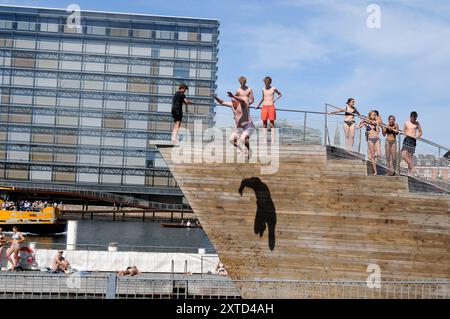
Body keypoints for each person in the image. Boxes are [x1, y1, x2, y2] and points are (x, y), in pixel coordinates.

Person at [211, 91, 254, 158]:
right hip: (239, 127)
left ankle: (249, 150)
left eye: (234, 102)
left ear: (238, 101)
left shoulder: (242, 104)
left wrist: (233, 96)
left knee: (243, 139)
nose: (233, 103)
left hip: (248, 126)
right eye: (232, 101)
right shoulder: (231, 104)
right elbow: (222, 102)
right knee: (231, 140)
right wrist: (215, 97)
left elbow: (242, 100)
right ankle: (242, 150)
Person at [256, 77, 282, 143]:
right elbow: (262, 98)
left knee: (272, 124)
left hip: (271, 106)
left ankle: (273, 139)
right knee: (264, 124)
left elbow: (280, 94)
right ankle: (264, 139)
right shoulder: (263, 89)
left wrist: (274, 100)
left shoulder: (273, 88)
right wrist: (258, 105)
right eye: (265, 82)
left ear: (269, 82)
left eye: (266, 82)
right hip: (264, 106)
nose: (265, 83)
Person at [358, 111, 381, 175]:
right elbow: (358, 127)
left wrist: (376, 124)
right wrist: (361, 122)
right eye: (373, 115)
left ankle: (371, 158)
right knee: (373, 156)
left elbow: (378, 131)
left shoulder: (376, 122)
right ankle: (375, 171)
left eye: (375, 115)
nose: (374, 116)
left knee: (379, 154)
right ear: (370, 115)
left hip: (377, 139)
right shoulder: (366, 123)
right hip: (370, 139)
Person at [401, 111, 423, 176]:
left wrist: (416, 137)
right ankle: (412, 167)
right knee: (403, 154)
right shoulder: (406, 122)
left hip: (413, 140)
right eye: (413, 118)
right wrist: (405, 136)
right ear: (410, 117)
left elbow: (421, 132)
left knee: (410, 157)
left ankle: (409, 172)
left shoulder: (417, 123)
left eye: (415, 118)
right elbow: (404, 130)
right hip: (406, 139)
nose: (414, 119)